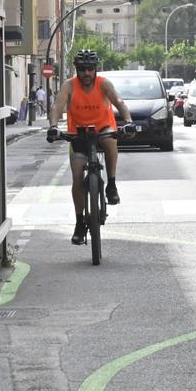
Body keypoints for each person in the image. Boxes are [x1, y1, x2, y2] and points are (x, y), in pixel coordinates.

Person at [47, 49, 134, 245]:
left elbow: (119, 101)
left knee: (111, 141)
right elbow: (57, 107)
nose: (87, 73)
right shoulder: (69, 86)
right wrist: (53, 127)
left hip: (102, 129)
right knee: (77, 175)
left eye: (90, 69)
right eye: (82, 69)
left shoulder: (104, 84)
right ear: (76, 69)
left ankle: (111, 184)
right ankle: (79, 223)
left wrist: (127, 121)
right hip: (78, 133)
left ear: (96, 69)